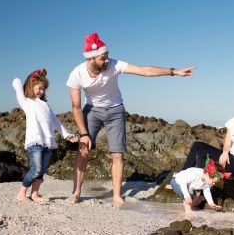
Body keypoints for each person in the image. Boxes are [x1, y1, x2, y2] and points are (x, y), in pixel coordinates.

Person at [66, 32, 195, 205]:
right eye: (103, 58)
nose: (107, 60)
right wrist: (83, 133)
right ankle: (76, 192)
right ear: (91, 59)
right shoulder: (77, 74)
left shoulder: (114, 65)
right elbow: (75, 107)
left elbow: (145, 71)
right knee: (83, 149)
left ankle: (117, 195)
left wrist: (174, 72)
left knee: (117, 154)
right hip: (92, 111)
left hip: (115, 110)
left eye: (107, 57)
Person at [12, 69, 78, 202]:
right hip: (34, 141)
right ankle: (21, 193)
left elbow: (56, 122)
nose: (42, 91)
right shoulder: (26, 102)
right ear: (31, 86)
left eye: (44, 89)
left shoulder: (46, 105)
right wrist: (24, 81)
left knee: (41, 171)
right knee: (35, 169)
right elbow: (17, 84)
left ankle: (34, 194)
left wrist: (66, 135)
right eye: (39, 88)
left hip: (47, 142)